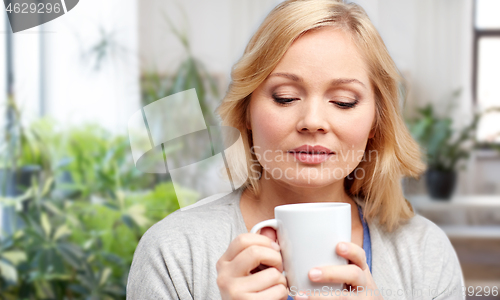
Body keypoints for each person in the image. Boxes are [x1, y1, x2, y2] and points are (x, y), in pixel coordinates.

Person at [126, 0, 465, 299]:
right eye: (285, 97)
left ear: (376, 121)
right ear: (246, 112)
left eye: (344, 102)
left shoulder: (426, 254)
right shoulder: (172, 253)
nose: (313, 121)